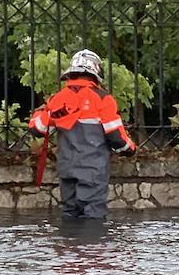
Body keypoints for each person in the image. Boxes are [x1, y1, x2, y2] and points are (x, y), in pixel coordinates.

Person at [29, 49, 137, 220]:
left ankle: (69, 246)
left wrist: (40, 113)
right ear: (96, 72)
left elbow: (37, 129)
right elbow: (116, 137)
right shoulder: (102, 98)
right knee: (93, 219)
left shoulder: (58, 99)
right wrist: (130, 149)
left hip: (67, 170)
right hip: (93, 171)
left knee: (69, 215)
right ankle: (88, 246)